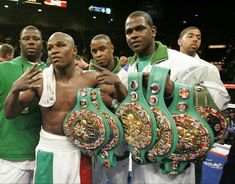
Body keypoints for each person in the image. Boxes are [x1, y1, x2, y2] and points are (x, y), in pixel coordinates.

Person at [118, 10, 230, 184]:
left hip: (174, 160)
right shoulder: (128, 69)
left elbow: (219, 99)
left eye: (139, 29)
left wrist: (175, 91)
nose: (134, 35)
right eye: (129, 31)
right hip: (140, 156)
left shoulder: (186, 63)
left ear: (153, 31)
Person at [4, 32, 127, 183]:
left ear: (74, 50)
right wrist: (14, 90)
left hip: (81, 149)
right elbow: (10, 113)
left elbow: (123, 105)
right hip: (49, 149)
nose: (54, 50)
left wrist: (119, 84)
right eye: (50, 48)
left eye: (61, 45)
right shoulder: (41, 80)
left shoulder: (90, 78)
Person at [177, 26, 230, 184]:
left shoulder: (209, 68)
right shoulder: (166, 65)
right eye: (190, 36)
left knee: (196, 170)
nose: (195, 39)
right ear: (180, 41)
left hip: (197, 130)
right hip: (170, 126)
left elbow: (219, 100)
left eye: (198, 37)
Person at [0, 25, 47, 183]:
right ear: (19, 43)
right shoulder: (3, 68)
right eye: (27, 38)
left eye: (36, 39)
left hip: (44, 153)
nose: (31, 42)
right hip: (11, 154)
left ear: (42, 43)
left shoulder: (51, 72)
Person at [89, 34, 129, 183]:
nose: (98, 54)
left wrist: (112, 102)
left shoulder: (126, 76)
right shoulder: (88, 75)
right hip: (94, 143)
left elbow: (132, 111)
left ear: (111, 48)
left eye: (102, 49)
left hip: (120, 146)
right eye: (94, 51)